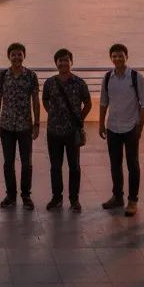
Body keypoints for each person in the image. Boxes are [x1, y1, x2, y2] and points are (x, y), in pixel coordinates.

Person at [99, 43, 144, 217]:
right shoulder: (107, 78)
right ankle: (117, 196)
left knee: (132, 164)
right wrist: (101, 124)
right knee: (115, 164)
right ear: (111, 58)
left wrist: (140, 127)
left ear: (126, 56)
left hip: (131, 128)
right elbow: (104, 102)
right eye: (114, 56)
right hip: (113, 127)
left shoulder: (136, 77)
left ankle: (133, 200)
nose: (117, 58)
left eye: (120, 55)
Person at [42, 48, 92, 212]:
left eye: (66, 60)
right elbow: (45, 100)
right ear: (56, 63)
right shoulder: (50, 82)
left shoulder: (79, 82)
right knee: (55, 166)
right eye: (60, 60)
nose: (63, 63)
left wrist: (79, 119)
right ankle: (57, 197)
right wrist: (54, 115)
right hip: (53, 132)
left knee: (74, 166)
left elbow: (88, 103)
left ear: (71, 62)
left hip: (72, 132)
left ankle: (74, 199)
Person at [0, 42, 40, 210]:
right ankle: (10, 195)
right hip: (6, 125)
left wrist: (37, 124)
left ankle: (26, 195)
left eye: (19, 54)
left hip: (25, 125)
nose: (16, 57)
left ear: (23, 56)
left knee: (27, 162)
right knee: (8, 162)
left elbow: (35, 100)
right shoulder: (2, 75)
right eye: (13, 54)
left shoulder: (31, 76)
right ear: (9, 56)